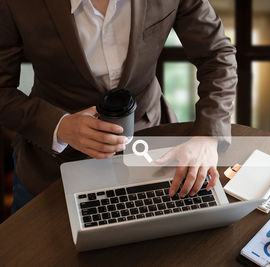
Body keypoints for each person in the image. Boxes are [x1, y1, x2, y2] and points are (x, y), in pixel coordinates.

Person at [0, 0, 237, 213]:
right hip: (50, 169)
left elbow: (217, 55)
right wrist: (60, 127)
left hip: (151, 151)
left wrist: (207, 137)